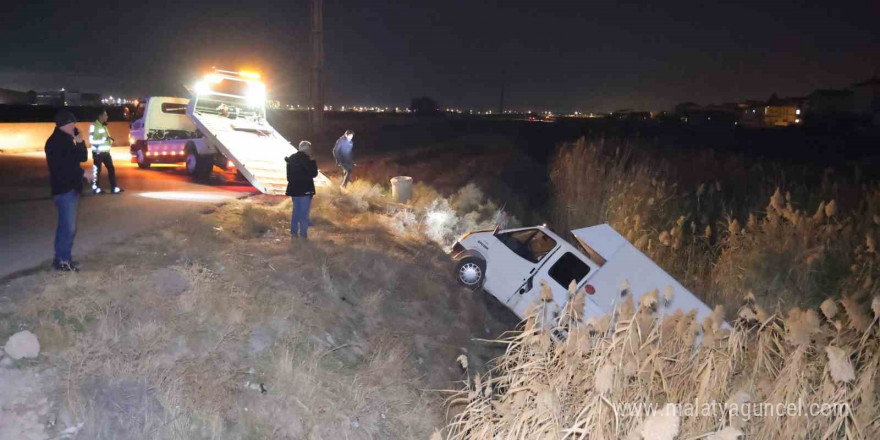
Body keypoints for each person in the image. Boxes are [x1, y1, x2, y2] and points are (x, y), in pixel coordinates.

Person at [45, 110, 88, 271]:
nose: (75, 127)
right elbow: (63, 167)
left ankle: (63, 258)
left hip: (71, 188)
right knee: (67, 227)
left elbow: (81, 158)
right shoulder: (55, 142)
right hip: (64, 189)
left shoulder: (68, 140)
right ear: (65, 124)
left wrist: (80, 142)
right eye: (73, 124)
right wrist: (83, 173)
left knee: (67, 226)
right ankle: (62, 261)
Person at [286, 141, 319, 239]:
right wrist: (313, 161)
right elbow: (314, 174)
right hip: (305, 190)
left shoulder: (291, 158)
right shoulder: (307, 159)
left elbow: (288, 177)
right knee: (304, 213)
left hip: (294, 190)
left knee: (296, 211)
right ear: (307, 149)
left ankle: (294, 232)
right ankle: (303, 234)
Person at [89, 109, 123, 194]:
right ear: (100, 116)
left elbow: (106, 138)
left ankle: (114, 187)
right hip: (98, 152)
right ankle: (96, 188)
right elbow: (91, 140)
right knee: (97, 171)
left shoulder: (104, 126)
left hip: (106, 152)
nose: (107, 117)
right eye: (105, 115)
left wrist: (110, 141)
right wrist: (105, 139)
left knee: (111, 169)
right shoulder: (94, 126)